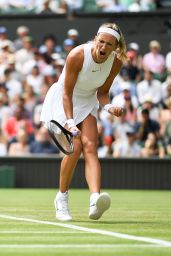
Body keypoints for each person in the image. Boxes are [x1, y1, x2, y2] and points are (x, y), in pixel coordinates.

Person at [40, 22, 127, 221]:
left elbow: (103, 93)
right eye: (101, 42)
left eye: (109, 44)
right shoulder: (77, 55)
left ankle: (95, 200)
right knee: (75, 147)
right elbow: (67, 93)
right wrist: (70, 121)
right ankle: (61, 199)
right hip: (63, 100)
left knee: (91, 146)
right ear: (96, 39)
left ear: (116, 47)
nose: (104, 47)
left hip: (87, 100)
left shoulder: (116, 62)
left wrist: (109, 107)